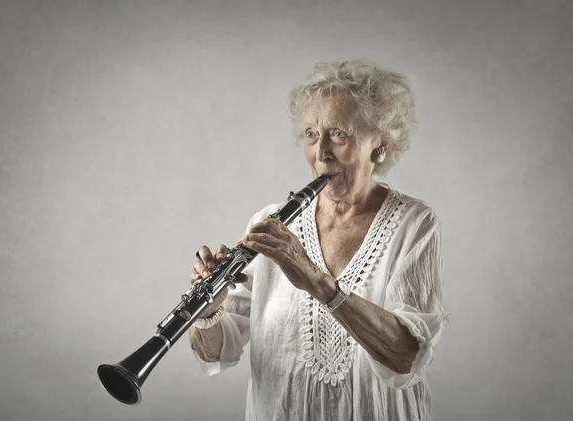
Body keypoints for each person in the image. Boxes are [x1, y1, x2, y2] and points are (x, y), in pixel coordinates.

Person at [188, 59, 449, 421]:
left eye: (339, 133)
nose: (321, 152)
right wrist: (209, 314)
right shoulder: (269, 223)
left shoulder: (414, 224)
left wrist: (314, 278)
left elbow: (405, 356)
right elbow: (217, 352)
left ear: (380, 144)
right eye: (311, 134)